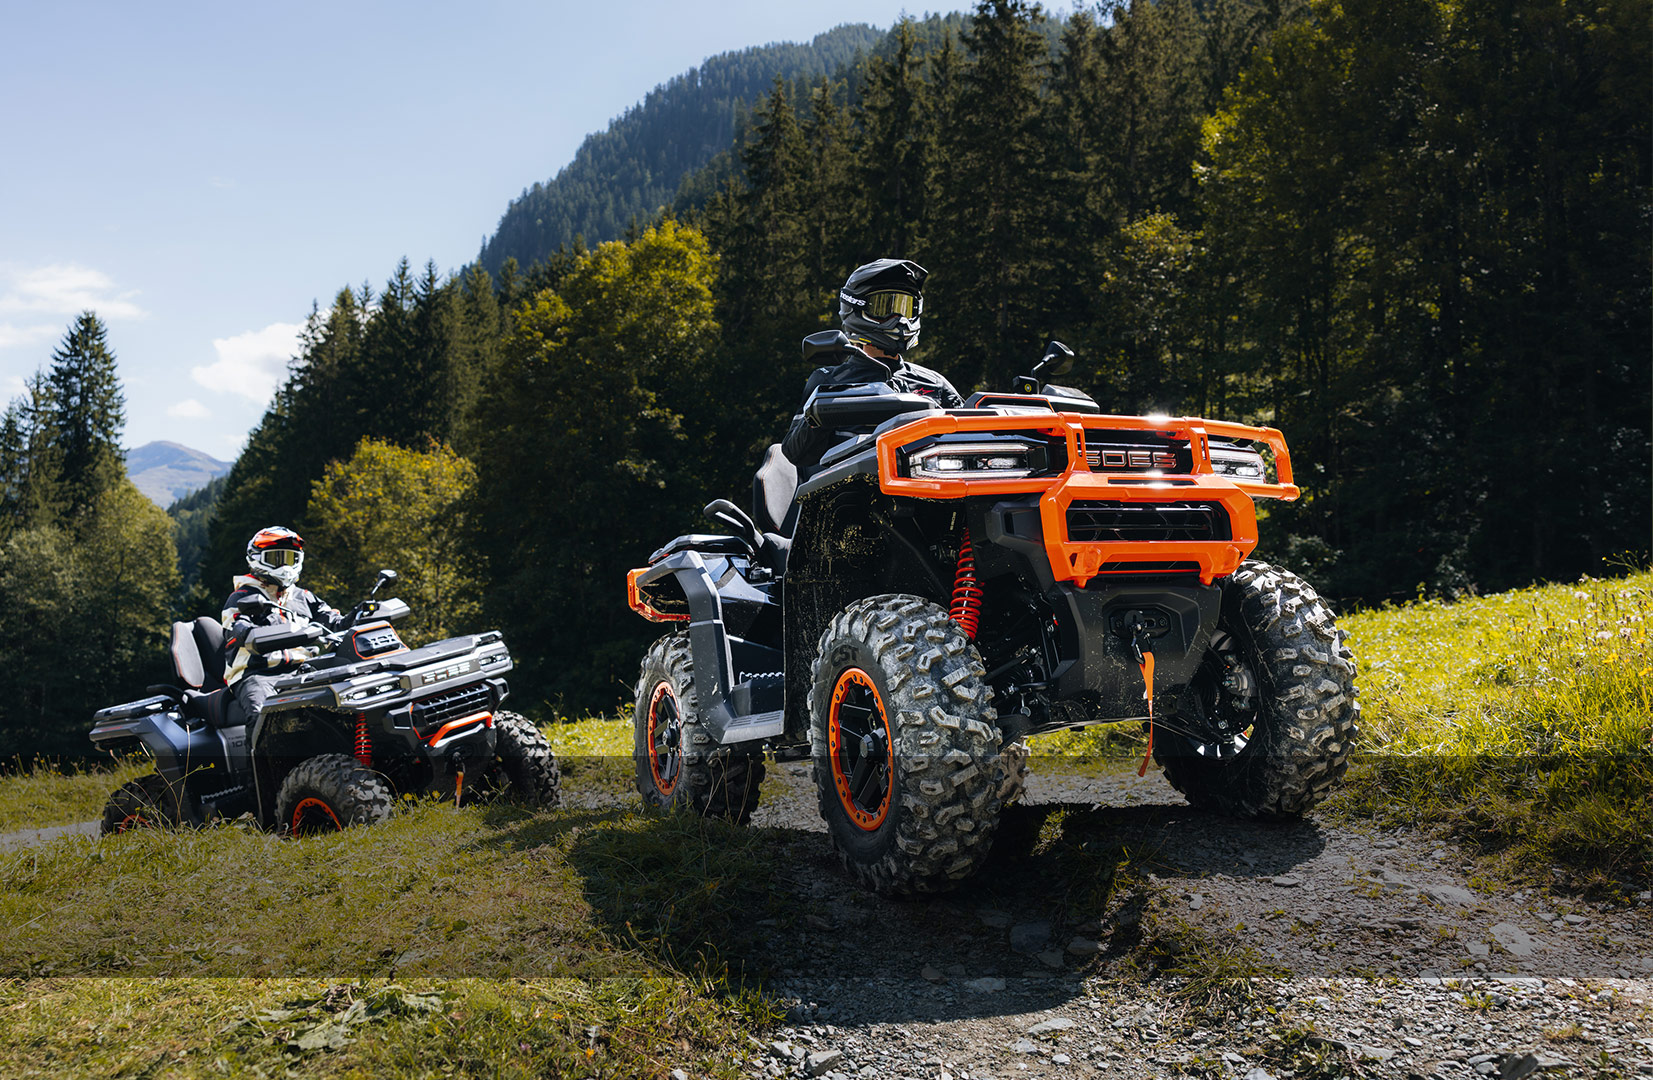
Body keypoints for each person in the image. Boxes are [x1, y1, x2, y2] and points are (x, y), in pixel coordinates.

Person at [782, 258, 964, 475]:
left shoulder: (935, 383)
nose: (899, 319)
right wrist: (817, 417)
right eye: (884, 307)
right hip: (851, 488)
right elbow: (796, 454)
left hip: (927, 487)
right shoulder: (830, 381)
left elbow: (970, 436)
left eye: (904, 308)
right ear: (856, 308)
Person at [222, 526, 349, 726]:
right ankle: (257, 748)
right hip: (258, 674)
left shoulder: (303, 596)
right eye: (276, 558)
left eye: (290, 558)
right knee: (263, 714)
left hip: (305, 669)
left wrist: (362, 614)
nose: (284, 566)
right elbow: (236, 629)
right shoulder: (242, 597)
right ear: (256, 558)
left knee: (345, 701)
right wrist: (247, 633)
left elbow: (334, 621)